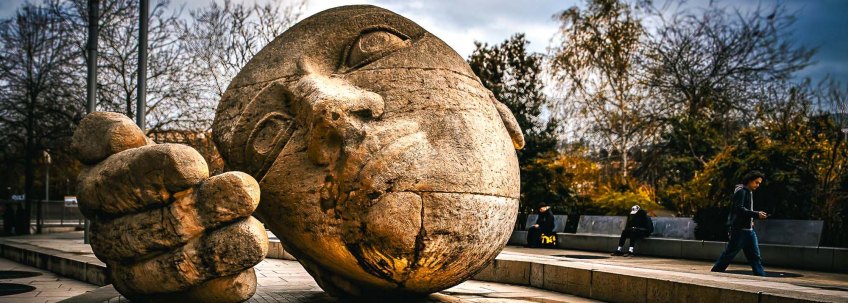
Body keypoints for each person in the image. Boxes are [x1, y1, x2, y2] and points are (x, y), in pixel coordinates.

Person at [711, 171, 768, 276]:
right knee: (729, 254)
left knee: (755, 256)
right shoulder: (741, 191)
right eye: (756, 182)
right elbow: (739, 209)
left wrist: (751, 220)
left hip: (749, 230)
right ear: (750, 181)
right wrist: (756, 214)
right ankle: (715, 273)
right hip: (740, 230)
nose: (758, 185)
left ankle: (761, 276)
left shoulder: (748, 192)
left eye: (759, 183)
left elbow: (744, 210)